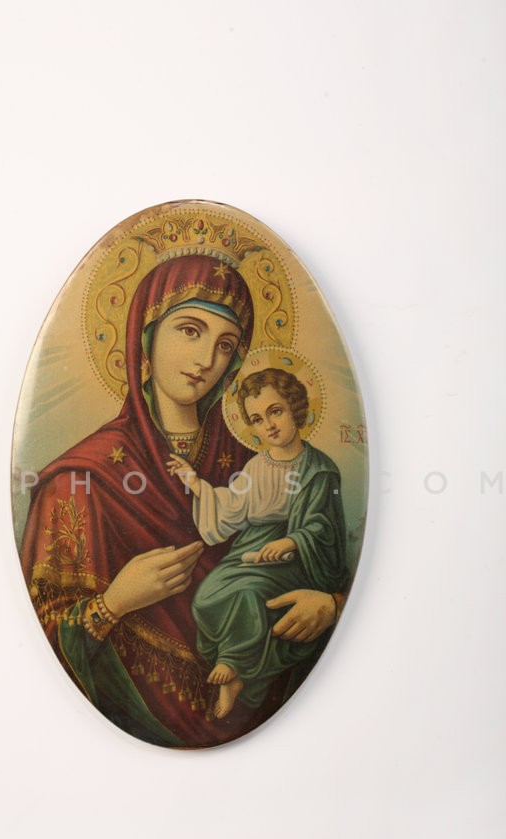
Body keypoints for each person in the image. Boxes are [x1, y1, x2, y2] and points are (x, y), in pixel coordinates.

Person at [19, 254, 342, 748]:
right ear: (145, 337)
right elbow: (39, 636)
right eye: (190, 331)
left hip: (281, 723)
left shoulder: (262, 463)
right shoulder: (80, 478)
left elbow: (317, 552)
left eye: (225, 344)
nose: (207, 359)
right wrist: (113, 603)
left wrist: (332, 605)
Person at [168, 367, 347, 719]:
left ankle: (234, 668)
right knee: (206, 596)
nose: (269, 425)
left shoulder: (320, 470)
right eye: (257, 419)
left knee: (251, 594)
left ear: (295, 407)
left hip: (298, 559)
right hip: (251, 549)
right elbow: (233, 508)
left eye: (275, 411)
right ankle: (234, 664)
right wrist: (197, 484)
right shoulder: (255, 467)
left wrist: (292, 542)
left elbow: (324, 528)